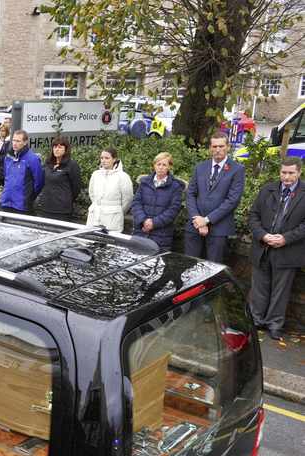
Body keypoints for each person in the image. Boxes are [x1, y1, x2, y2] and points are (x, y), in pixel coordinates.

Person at [248, 157, 305, 340]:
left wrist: (286, 238)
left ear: (299, 173)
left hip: (288, 250)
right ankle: (255, 321)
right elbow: (253, 216)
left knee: (281, 291)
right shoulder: (268, 189)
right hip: (263, 246)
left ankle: (274, 324)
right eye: (283, 172)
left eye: (291, 173)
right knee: (259, 287)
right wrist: (263, 235)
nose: (286, 177)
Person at [185, 130, 245, 262]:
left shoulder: (237, 170)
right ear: (210, 148)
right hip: (194, 226)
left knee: (213, 269)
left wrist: (206, 220)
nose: (218, 149)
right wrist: (198, 220)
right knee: (189, 265)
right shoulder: (200, 167)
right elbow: (190, 194)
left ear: (228, 147)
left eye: (221, 146)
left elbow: (232, 201)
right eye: (214, 146)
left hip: (219, 229)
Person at [130, 152, 184, 251]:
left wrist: (153, 223)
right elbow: (136, 203)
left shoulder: (175, 187)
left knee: (157, 264)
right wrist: (144, 220)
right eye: (158, 164)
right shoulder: (144, 182)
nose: (161, 167)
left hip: (162, 235)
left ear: (169, 167)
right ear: (154, 165)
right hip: (141, 231)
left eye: (164, 165)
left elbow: (173, 210)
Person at [34, 137, 82, 221]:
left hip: (61, 210)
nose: (57, 149)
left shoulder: (72, 165)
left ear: (66, 149)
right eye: (55, 147)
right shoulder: (47, 163)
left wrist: (65, 198)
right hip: (45, 207)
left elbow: (76, 188)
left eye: (60, 147)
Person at [86, 147, 134, 232]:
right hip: (94, 217)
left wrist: (117, 211)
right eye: (102, 158)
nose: (103, 160)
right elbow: (92, 194)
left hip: (113, 220)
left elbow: (128, 199)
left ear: (114, 159)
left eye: (107, 158)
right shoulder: (95, 174)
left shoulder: (123, 177)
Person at [0, 130, 43, 213]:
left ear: (25, 142)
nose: (14, 143)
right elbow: (6, 176)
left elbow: (39, 182)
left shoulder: (33, 159)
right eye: (14, 140)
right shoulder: (8, 156)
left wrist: (29, 197)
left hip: (22, 205)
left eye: (18, 141)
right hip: (6, 202)